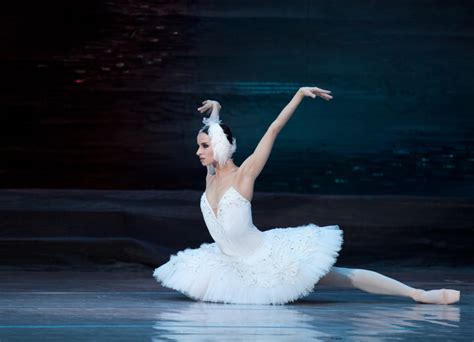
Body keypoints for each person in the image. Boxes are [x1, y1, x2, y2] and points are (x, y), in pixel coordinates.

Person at [153, 87, 460, 305]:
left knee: (341, 277)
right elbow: (217, 137)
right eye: (199, 146)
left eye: (204, 146)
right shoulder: (210, 177)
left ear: (219, 145)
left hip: (266, 256)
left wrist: (298, 95)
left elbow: (272, 130)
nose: (198, 151)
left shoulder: (244, 175)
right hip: (229, 263)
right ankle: (415, 294)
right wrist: (216, 110)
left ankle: (417, 294)